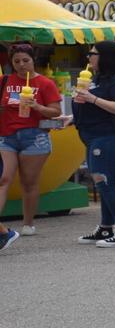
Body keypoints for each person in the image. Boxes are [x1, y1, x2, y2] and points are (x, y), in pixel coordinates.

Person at [71, 41, 115, 248]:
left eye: (92, 53)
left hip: (111, 137)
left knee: (106, 182)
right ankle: (105, 226)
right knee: (103, 183)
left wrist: (92, 99)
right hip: (96, 136)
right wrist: (71, 117)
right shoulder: (99, 78)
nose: (89, 57)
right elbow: (98, 108)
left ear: (105, 56)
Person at [1, 43, 65, 237]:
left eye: (25, 61)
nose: (21, 65)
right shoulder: (4, 81)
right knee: (3, 178)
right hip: (6, 136)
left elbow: (56, 112)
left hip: (34, 136)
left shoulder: (45, 83)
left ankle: (28, 223)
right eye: (17, 61)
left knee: (28, 182)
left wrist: (37, 106)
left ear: (33, 60)